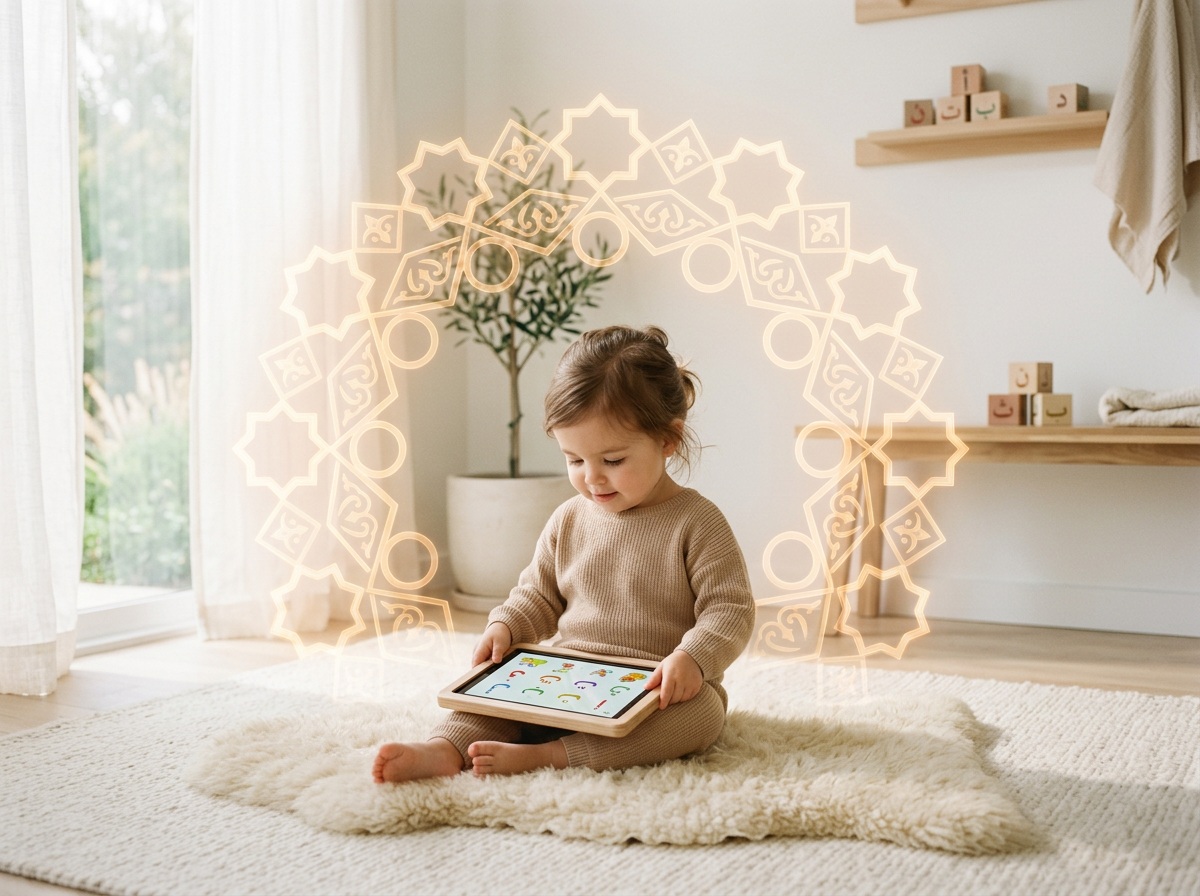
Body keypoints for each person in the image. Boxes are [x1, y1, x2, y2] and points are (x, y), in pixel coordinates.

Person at [373, 325, 755, 782]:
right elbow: (538, 593)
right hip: (567, 675)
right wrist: (506, 624)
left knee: (702, 715)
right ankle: (442, 750)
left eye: (612, 461)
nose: (592, 479)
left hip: (654, 685)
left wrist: (694, 658)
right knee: (493, 693)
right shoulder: (570, 518)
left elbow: (729, 609)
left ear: (668, 440)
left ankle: (552, 755)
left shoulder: (697, 521)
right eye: (574, 460)